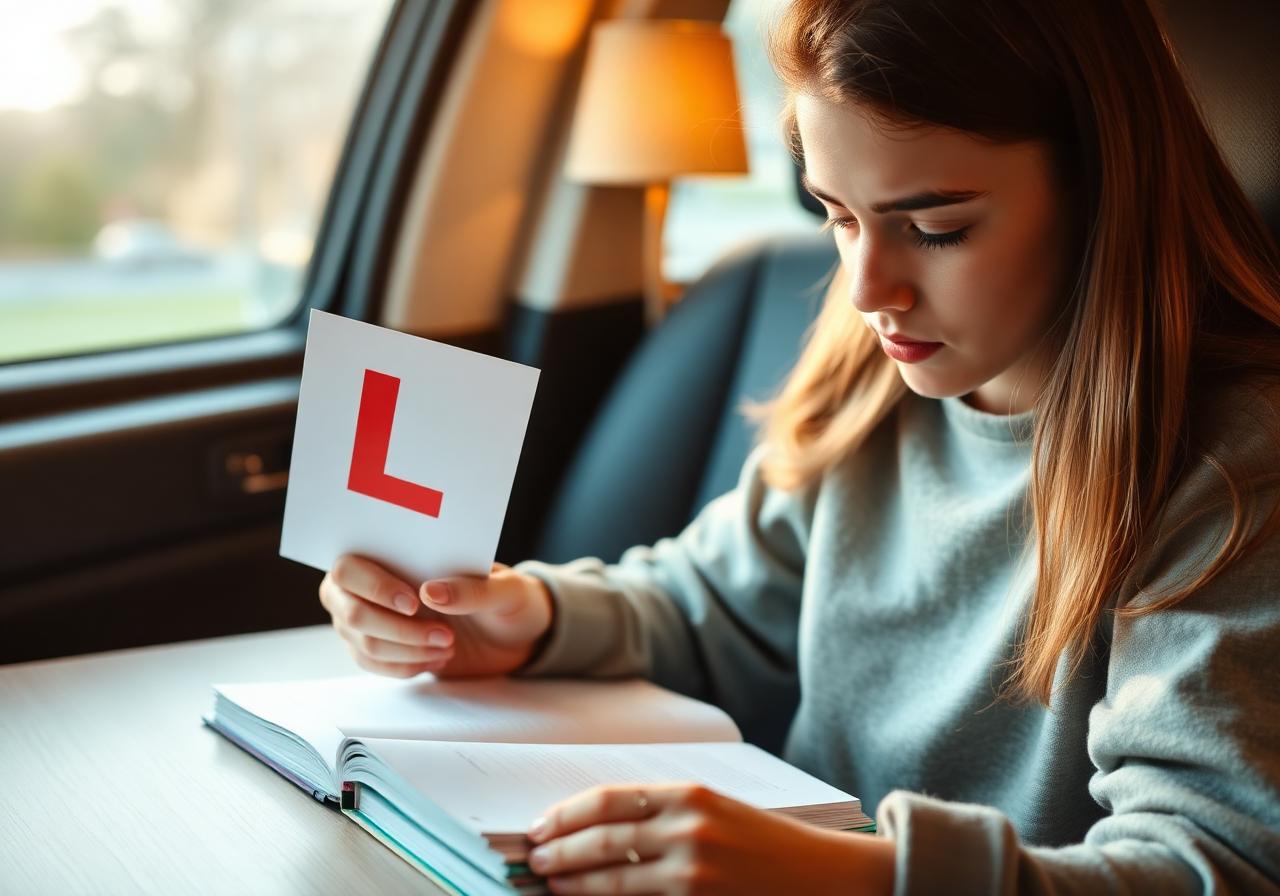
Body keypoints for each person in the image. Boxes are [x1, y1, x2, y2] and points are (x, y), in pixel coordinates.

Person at [317, 0, 1280, 892]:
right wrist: (530, 616)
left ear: (1104, 189)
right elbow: (715, 604)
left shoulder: (1234, 465)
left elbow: (1209, 862)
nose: (869, 289)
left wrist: (853, 877)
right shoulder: (872, 379)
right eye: (837, 214)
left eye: (936, 228)